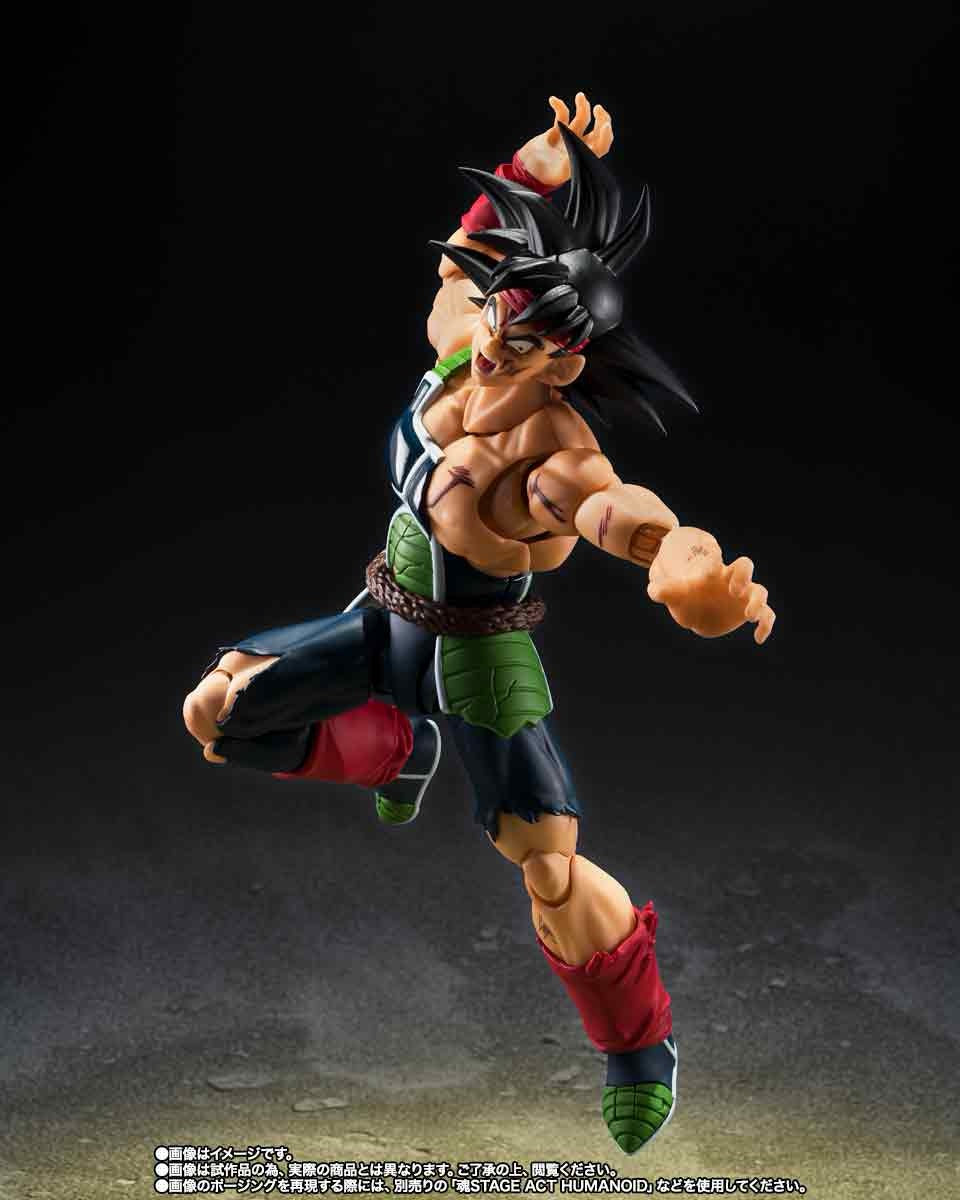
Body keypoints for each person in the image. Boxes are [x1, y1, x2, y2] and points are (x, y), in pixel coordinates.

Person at [183, 93, 775, 1154]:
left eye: (533, 339)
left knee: (547, 867)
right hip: (382, 619)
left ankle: (640, 1048)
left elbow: (619, 513)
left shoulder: (551, 457)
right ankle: (394, 751)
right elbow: (468, 255)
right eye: (505, 313)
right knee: (219, 714)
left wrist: (685, 567)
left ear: (566, 362)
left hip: (478, 662)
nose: (503, 342)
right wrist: (536, 166)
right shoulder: (463, 340)